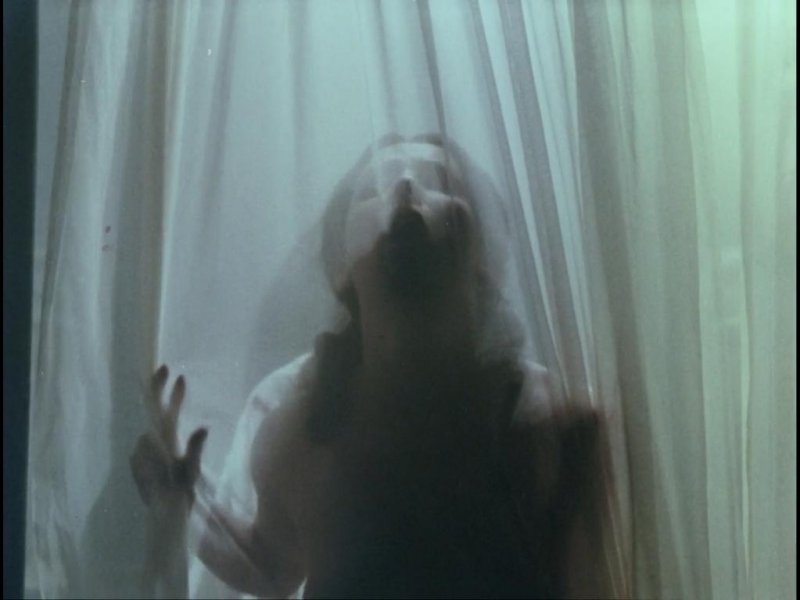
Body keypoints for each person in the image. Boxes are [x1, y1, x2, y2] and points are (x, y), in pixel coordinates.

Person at [131, 133, 614, 598]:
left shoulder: (543, 424)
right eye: (374, 189)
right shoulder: (300, 432)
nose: (405, 186)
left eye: (438, 181)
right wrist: (186, 501)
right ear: (340, 264)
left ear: (484, 254)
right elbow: (272, 567)